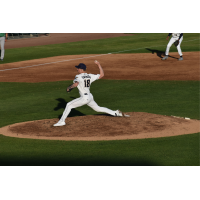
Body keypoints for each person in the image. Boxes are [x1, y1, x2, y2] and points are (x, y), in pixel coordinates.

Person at [54, 60, 124, 127]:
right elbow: (102, 75)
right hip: (90, 97)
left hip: (84, 98)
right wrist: (98, 65)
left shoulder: (78, 76)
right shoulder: (90, 75)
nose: (77, 69)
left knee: (69, 105)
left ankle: (61, 121)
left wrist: (69, 88)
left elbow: (76, 84)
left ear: (81, 69)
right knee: (98, 108)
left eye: (78, 68)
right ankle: (115, 113)